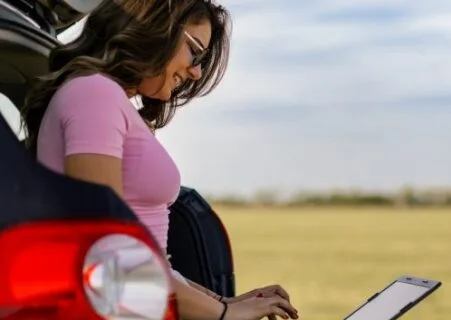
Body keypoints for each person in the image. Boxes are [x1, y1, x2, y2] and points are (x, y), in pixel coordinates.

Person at [18, 0, 299, 319]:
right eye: (195, 52)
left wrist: (224, 301)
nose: (196, 72)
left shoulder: (108, 98)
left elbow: (151, 259)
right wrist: (223, 312)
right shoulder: (93, 94)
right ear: (156, 27)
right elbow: (107, 254)